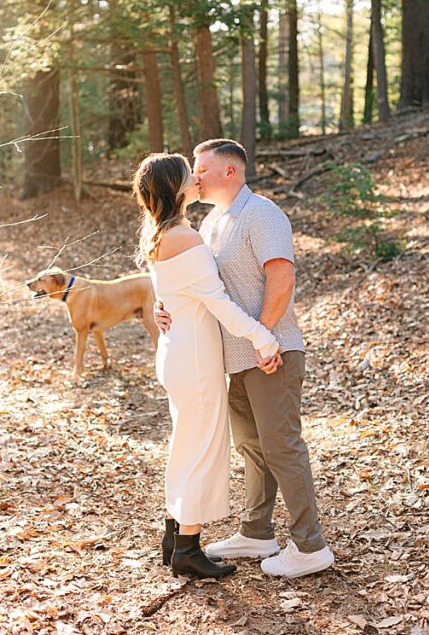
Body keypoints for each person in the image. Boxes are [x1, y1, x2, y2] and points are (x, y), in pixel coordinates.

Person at [155, 139, 334, 578]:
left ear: (229, 172)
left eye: (201, 168)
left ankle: (310, 546)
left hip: (271, 351)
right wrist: (166, 307)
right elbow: (200, 288)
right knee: (253, 449)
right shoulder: (213, 222)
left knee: (282, 447)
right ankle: (256, 532)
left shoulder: (262, 213)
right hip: (234, 358)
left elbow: (283, 275)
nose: (194, 176)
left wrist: (266, 338)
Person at [133, 152, 281, 580]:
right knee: (201, 450)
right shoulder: (187, 237)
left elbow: (173, 292)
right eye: (189, 174)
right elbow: (219, 304)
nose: (197, 178)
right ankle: (187, 549)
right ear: (176, 187)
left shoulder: (162, 232)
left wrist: (163, 306)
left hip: (177, 351)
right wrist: (263, 337)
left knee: (185, 446)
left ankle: (173, 531)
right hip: (195, 360)